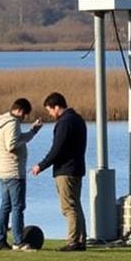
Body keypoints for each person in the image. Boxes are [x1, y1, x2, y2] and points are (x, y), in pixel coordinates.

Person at [30, 92, 88, 252]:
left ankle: (73, 241)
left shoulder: (64, 123)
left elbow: (57, 149)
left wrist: (40, 166)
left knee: (68, 207)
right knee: (76, 205)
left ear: (56, 107)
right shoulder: (78, 120)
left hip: (66, 170)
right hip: (77, 168)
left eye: (49, 110)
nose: (49, 114)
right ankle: (81, 239)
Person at [0, 97, 43, 250]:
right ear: (20, 111)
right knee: (18, 207)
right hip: (14, 172)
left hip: (3, 171)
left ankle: (0, 241)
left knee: (5, 206)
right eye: (24, 115)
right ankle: (18, 241)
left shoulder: (4, 121)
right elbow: (12, 145)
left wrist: (32, 132)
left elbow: (16, 139)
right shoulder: (13, 122)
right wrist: (28, 137)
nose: (24, 119)